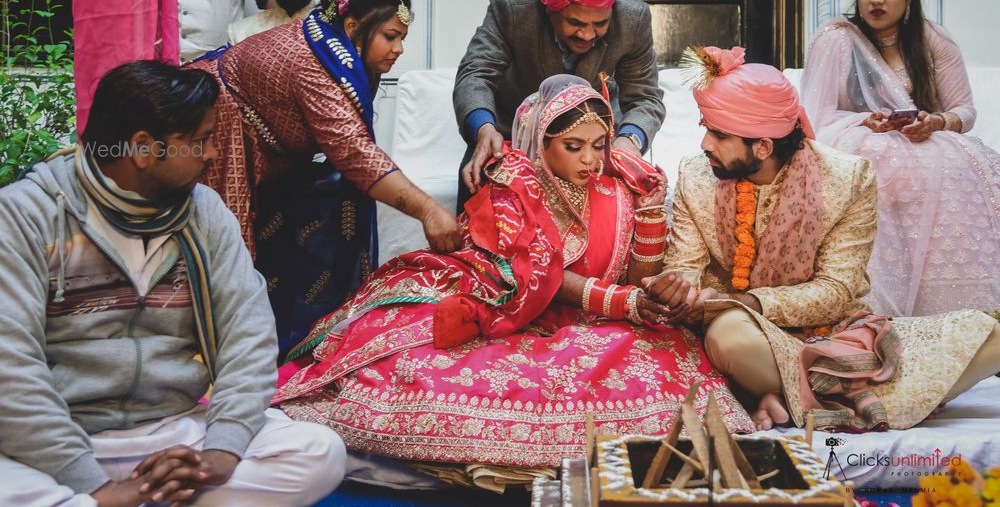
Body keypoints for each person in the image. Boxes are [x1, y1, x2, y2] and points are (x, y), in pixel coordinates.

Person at [271, 75, 753, 490]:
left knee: (654, 365)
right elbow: (539, 277)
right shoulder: (516, 185)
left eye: (599, 145)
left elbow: (639, 281)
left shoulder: (615, 187)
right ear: (542, 142)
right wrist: (623, 301)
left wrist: (648, 209)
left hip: (599, 320)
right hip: (515, 309)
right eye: (574, 146)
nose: (590, 159)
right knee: (427, 365)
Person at [0, 61, 345, 506]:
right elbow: (10, 368)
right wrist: (93, 485)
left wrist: (218, 453)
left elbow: (248, 333)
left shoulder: (204, 211)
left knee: (319, 453)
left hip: (174, 433)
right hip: (55, 444)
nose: (212, 155)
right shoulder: (24, 215)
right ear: (144, 149)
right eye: (199, 142)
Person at [651, 45, 1000, 433]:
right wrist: (679, 287)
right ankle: (815, 392)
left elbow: (836, 289)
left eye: (718, 134)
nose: (705, 145)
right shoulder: (695, 176)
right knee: (730, 336)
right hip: (739, 335)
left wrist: (748, 302)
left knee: (989, 334)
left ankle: (775, 394)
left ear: (763, 146)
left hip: (831, 332)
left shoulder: (848, 179)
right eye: (705, 129)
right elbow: (685, 265)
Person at [191, 0, 461, 356]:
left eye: (402, 37)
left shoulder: (327, 42)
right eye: (390, 35)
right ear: (353, 27)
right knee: (227, 257)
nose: (399, 48)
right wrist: (429, 211)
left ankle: (292, 335)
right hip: (217, 132)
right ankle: (225, 357)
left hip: (258, 145)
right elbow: (355, 153)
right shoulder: (314, 64)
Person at [801, 0, 1000, 316]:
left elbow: (964, 110)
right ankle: (875, 306)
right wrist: (863, 121)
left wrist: (936, 122)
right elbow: (815, 115)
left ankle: (961, 312)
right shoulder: (836, 40)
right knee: (880, 157)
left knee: (960, 167)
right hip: (859, 142)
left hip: (923, 139)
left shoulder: (933, 39)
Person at [453, 0, 665, 211]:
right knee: (481, 205)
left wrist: (629, 140)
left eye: (599, 24)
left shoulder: (633, 18)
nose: (588, 35)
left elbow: (645, 98)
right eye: (575, 23)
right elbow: (475, 74)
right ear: (550, 9)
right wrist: (483, 128)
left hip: (593, 146)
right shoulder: (513, 9)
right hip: (513, 141)